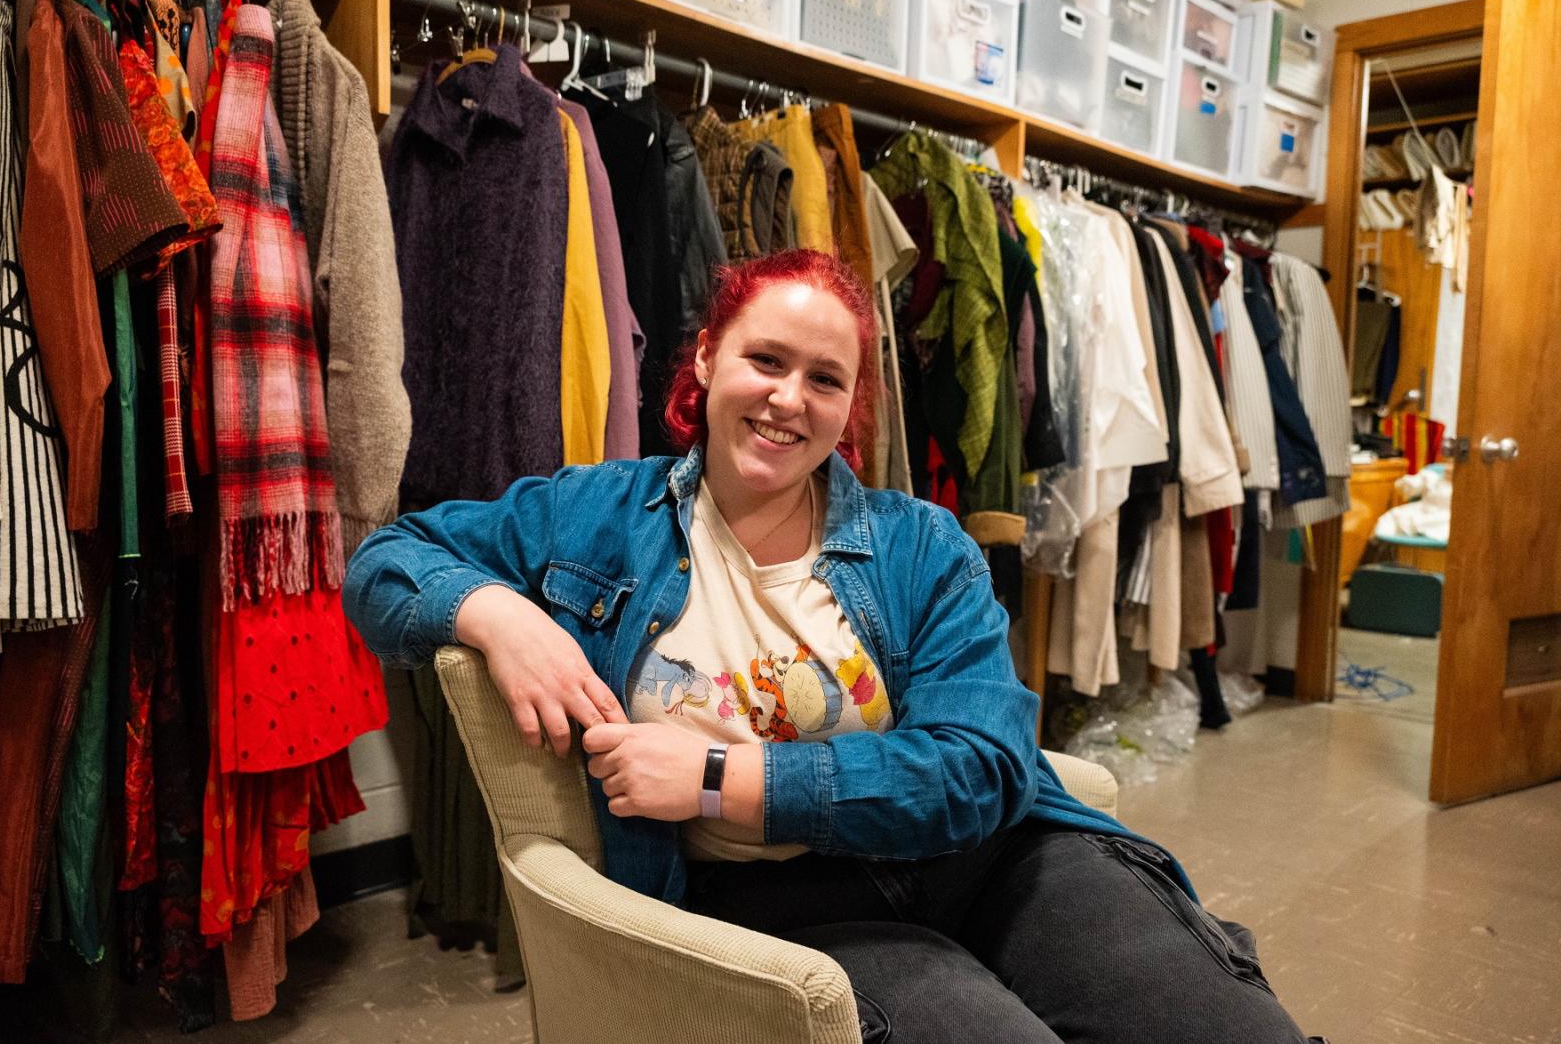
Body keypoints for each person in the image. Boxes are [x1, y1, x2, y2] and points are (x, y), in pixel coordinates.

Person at [345, 251, 1315, 1043]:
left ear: (850, 407)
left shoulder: (918, 544)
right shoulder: (594, 514)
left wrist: (721, 777)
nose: (786, 399)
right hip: (784, 904)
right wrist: (495, 616)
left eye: (823, 379)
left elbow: (978, 769)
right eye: (764, 361)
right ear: (705, 362)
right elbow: (385, 561)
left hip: (997, 858)